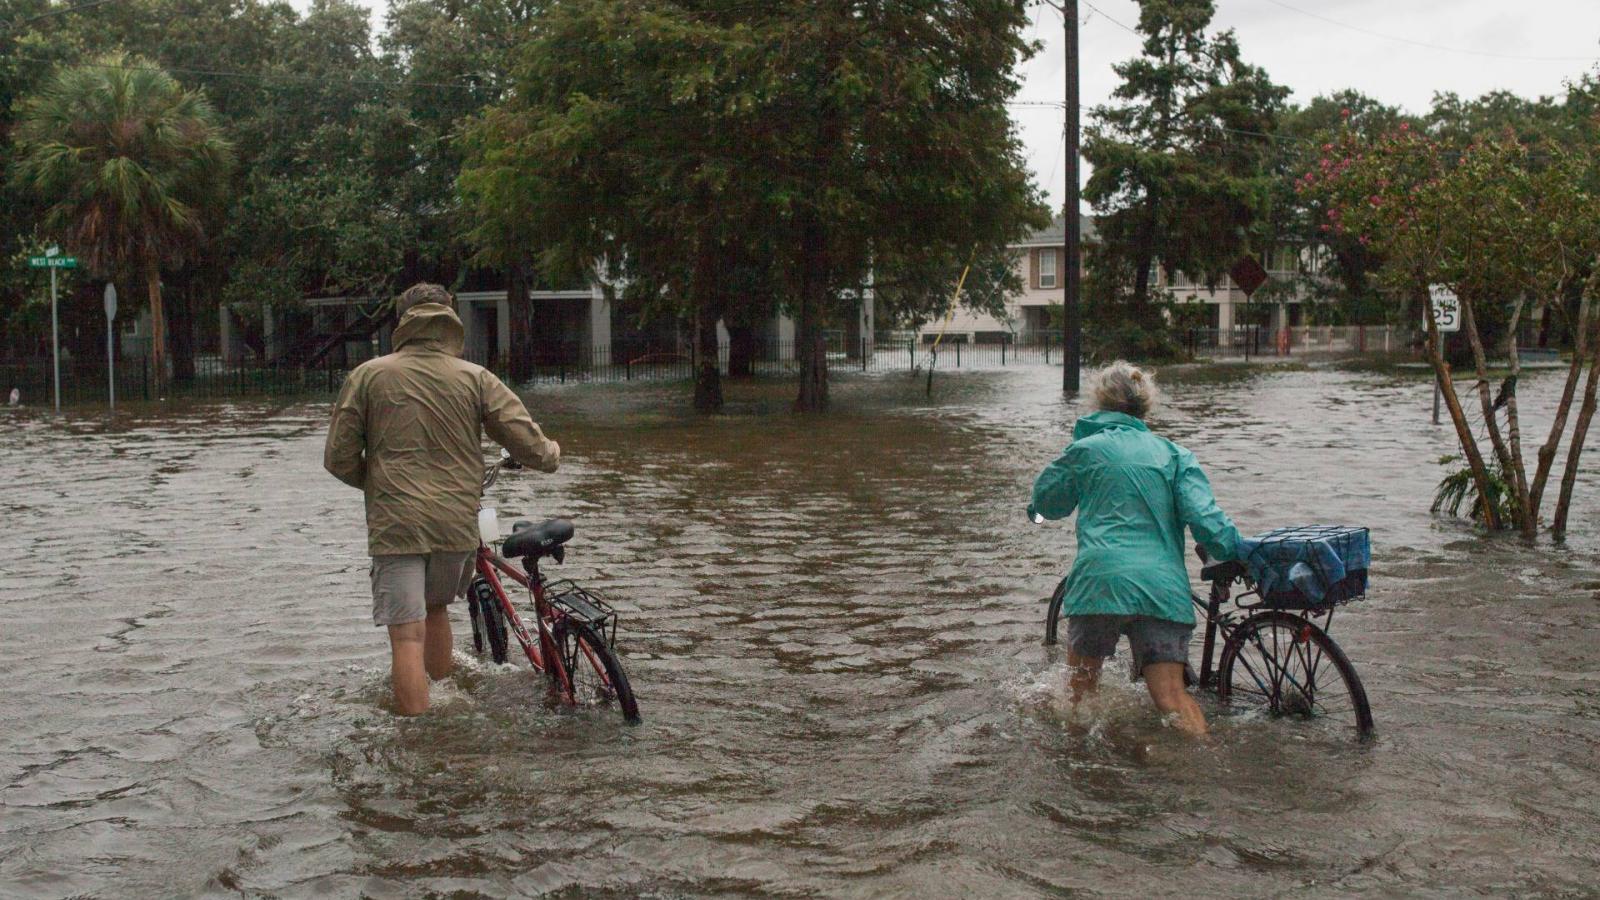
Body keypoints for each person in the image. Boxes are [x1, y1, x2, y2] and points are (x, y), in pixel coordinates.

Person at [324, 283, 561, 715]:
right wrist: (551, 456)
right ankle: (446, 712)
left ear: (403, 322)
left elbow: (338, 459)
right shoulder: (475, 377)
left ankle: (418, 741)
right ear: (450, 319)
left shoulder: (368, 375)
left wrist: (381, 485)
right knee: (436, 613)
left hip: (397, 526)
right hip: (454, 524)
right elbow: (526, 440)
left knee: (406, 636)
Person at [1030, 361, 1240, 737]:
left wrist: (1037, 511)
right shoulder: (1174, 455)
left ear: (1099, 403)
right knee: (1173, 698)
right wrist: (1235, 550)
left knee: (1080, 695)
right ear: (1146, 407)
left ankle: (1077, 778)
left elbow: (1048, 503)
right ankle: (1205, 770)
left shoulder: (1085, 450)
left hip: (1100, 584)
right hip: (1161, 590)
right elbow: (1207, 521)